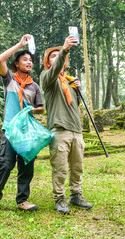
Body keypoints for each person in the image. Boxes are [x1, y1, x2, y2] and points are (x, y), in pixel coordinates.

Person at [0, 34, 44, 212]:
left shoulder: (34, 86)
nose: (29, 62)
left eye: (30, 60)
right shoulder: (9, 80)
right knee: (6, 163)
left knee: (26, 166)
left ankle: (22, 200)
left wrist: (32, 110)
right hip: (11, 129)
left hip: (27, 131)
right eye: (24, 59)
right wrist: (20, 44)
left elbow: (41, 108)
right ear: (16, 64)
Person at [40, 35, 92, 214]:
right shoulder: (47, 77)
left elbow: (74, 105)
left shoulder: (69, 81)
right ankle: (59, 198)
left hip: (76, 130)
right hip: (59, 129)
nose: (57, 58)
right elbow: (55, 70)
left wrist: (77, 89)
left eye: (59, 56)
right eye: (52, 56)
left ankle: (76, 195)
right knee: (60, 168)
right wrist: (64, 49)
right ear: (48, 63)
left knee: (77, 167)